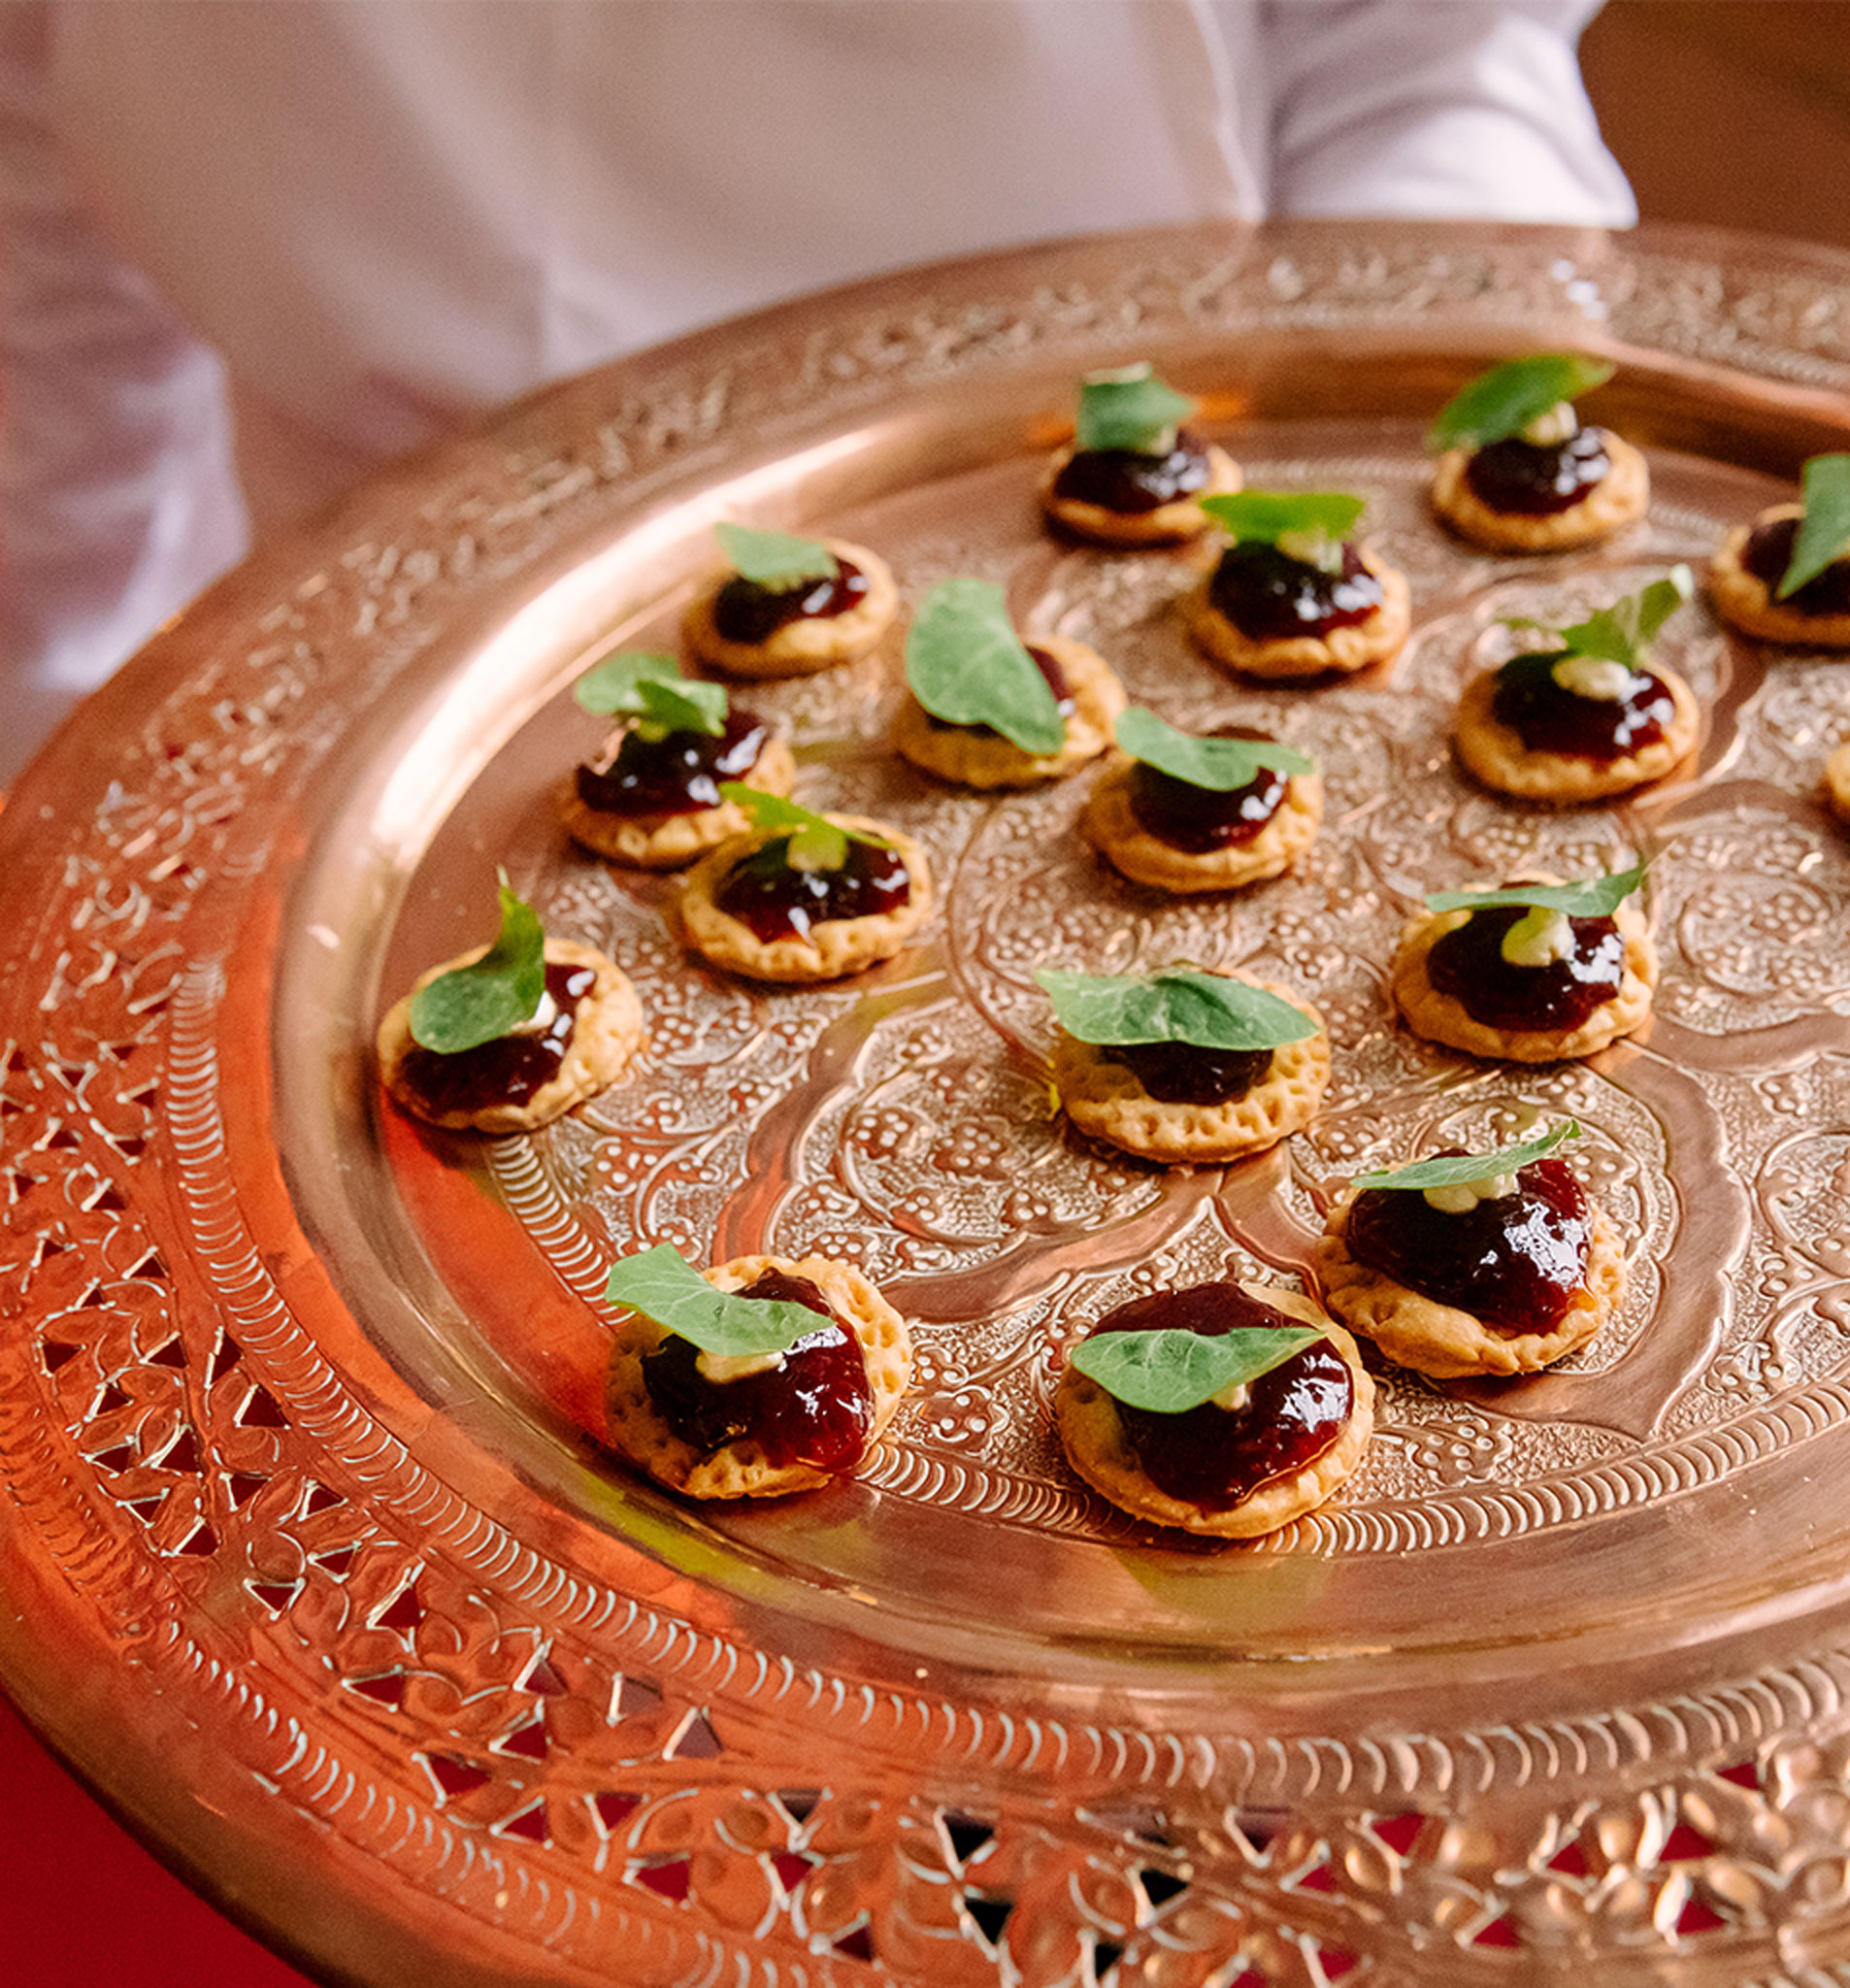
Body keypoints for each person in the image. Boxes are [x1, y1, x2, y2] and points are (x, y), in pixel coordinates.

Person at [0, 0, 1633, 784]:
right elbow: (35, 294)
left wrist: (1423, 562)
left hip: (1150, 551)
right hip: (393, 674)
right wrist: (53, 761)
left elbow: (1416, 55)